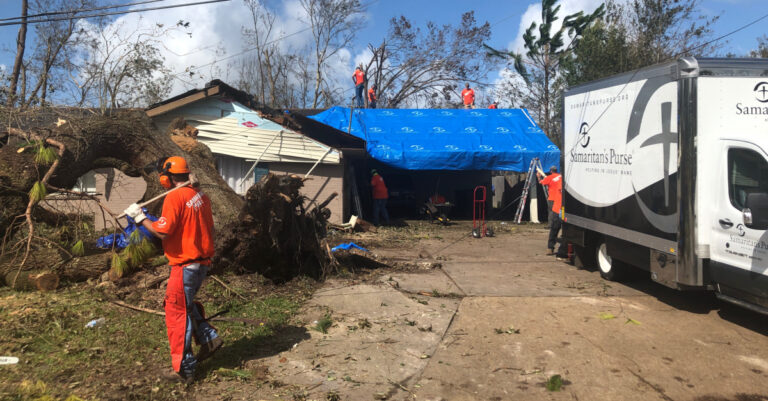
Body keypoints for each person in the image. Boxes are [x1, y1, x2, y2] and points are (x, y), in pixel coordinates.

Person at [123, 156, 221, 384]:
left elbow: (163, 232)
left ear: (166, 177)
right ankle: (209, 338)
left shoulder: (175, 197)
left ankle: (183, 369)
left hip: (185, 264)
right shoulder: (201, 196)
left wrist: (140, 217)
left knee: (176, 313)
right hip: (202, 262)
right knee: (182, 305)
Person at [537, 165, 564, 257]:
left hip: (555, 202)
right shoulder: (561, 177)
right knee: (559, 226)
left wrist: (538, 177)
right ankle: (553, 248)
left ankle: (550, 247)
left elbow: (541, 182)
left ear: (551, 171)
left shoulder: (549, 177)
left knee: (554, 226)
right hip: (560, 205)